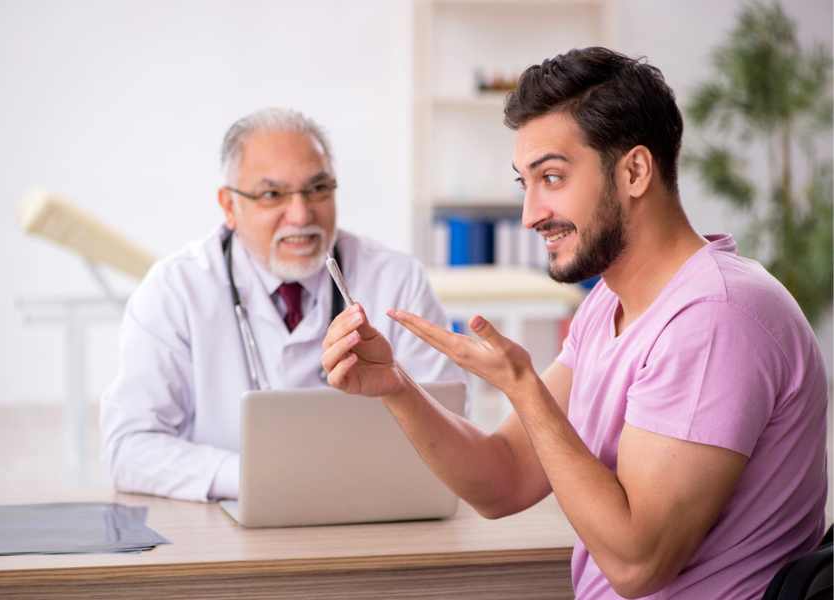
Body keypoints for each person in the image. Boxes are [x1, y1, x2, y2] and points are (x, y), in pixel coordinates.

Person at [322, 48, 828, 599]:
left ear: (634, 171)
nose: (530, 214)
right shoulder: (608, 303)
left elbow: (638, 564)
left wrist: (524, 388)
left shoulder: (715, 319)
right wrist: (398, 388)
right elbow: (505, 478)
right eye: (526, 184)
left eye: (553, 177)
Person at [101, 107, 464, 502]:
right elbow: (129, 449)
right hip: (230, 525)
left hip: (372, 511)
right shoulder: (175, 289)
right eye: (272, 194)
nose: (301, 214)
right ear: (228, 206)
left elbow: (452, 427)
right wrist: (253, 479)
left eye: (317, 189)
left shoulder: (396, 280)